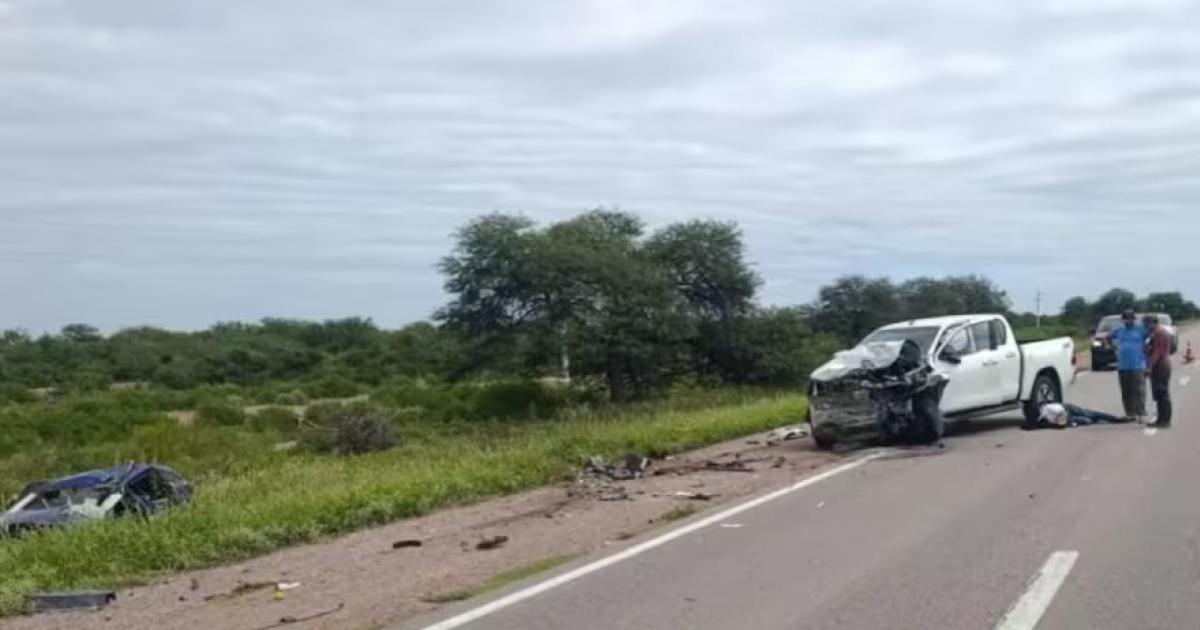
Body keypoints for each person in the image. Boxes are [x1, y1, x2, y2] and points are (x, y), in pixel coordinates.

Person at [1108, 309, 1148, 422]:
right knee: (1126, 391)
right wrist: (1114, 348)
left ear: (1133, 319)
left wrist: (1146, 349)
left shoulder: (1140, 329)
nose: (1128, 321)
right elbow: (1109, 337)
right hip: (1123, 365)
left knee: (1138, 390)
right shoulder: (1119, 329)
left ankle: (1141, 413)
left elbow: (1150, 337)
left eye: (1130, 318)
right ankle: (1130, 413)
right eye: (1125, 319)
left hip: (1137, 364)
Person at [1144, 314, 1173, 427]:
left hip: (1160, 366)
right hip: (1160, 365)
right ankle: (1161, 419)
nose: (1145, 326)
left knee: (1162, 394)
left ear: (1153, 323)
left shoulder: (1159, 333)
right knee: (1160, 394)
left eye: (1147, 323)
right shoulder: (1156, 333)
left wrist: (1149, 367)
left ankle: (1164, 420)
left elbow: (1157, 352)